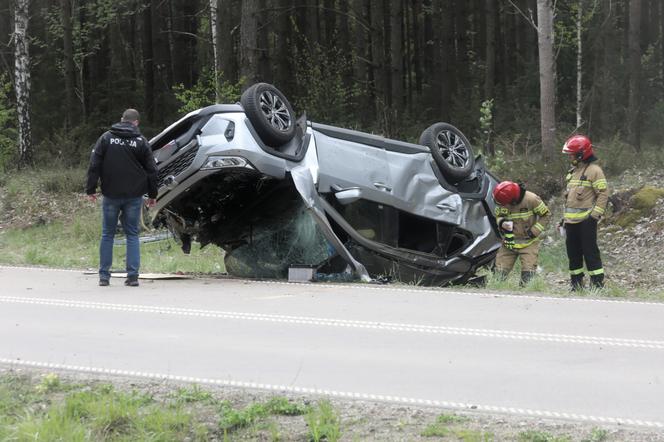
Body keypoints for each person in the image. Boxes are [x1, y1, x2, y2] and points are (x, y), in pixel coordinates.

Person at [85, 109, 158, 287]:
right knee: (132, 234)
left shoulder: (106, 138)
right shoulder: (141, 141)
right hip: (134, 196)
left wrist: (91, 189)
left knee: (107, 234)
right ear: (136, 123)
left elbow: (94, 164)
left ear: (121, 120)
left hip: (111, 194)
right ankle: (132, 277)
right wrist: (153, 194)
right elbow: (152, 170)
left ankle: (104, 277)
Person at [560, 134, 609, 290]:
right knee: (573, 255)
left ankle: (597, 285)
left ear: (581, 154)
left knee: (590, 253)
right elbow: (569, 199)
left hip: (586, 221)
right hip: (570, 222)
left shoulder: (595, 171)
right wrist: (563, 219)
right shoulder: (573, 171)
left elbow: (603, 193)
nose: (570, 157)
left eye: (572, 154)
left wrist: (594, 215)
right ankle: (576, 285)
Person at [493, 181, 551, 285]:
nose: (504, 205)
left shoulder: (531, 199)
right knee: (499, 274)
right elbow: (499, 215)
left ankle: (525, 294)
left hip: (529, 242)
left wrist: (534, 231)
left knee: (528, 275)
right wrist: (502, 223)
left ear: (513, 199)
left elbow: (546, 215)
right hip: (509, 242)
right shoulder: (502, 200)